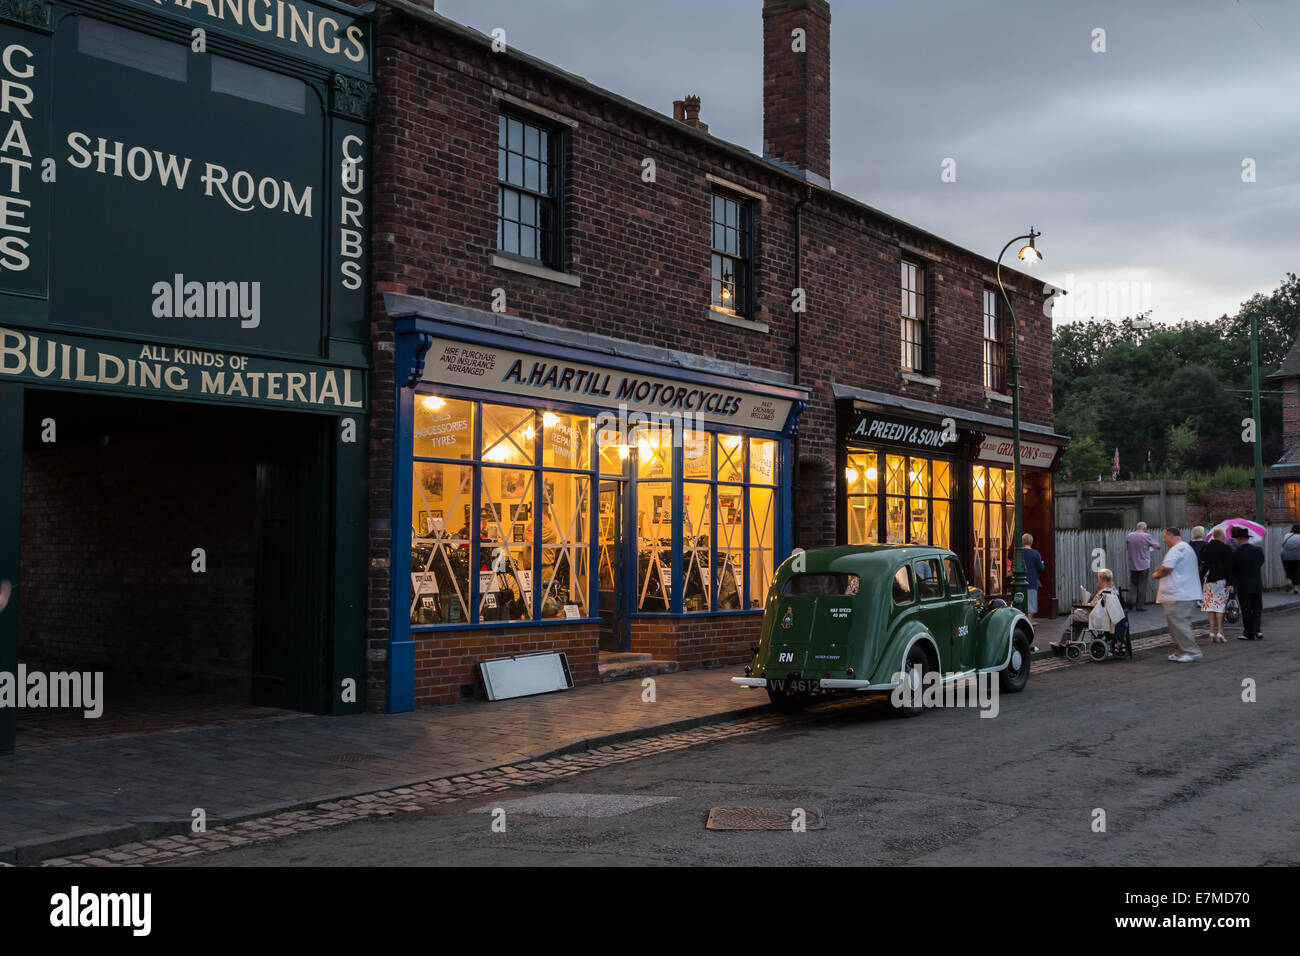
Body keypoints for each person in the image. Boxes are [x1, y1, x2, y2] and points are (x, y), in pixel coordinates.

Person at [1151, 527, 1203, 662]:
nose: (1164, 540)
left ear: (1170, 535)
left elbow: (1167, 568)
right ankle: (1181, 651)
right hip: (1182, 593)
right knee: (1177, 624)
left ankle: (1190, 651)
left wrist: (1156, 574)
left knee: (1179, 624)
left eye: (1164, 537)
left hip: (1178, 593)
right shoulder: (1185, 548)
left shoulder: (1177, 549)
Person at [1052, 568, 1125, 655]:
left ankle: (1064, 642)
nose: (1097, 582)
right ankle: (1071, 640)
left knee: (1072, 617)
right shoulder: (1113, 591)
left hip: (1096, 617)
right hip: (1104, 617)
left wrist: (1086, 604)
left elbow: (1096, 607)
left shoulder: (1103, 593)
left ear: (1102, 580)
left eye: (1098, 580)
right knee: (1078, 618)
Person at [1228, 526, 1265, 641]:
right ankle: (1257, 630)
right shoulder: (1258, 551)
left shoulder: (1236, 553)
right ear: (1248, 538)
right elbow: (1261, 562)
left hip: (1243, 585)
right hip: (1256, 583)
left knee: (1246, 609)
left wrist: (1232, 585)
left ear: (1238, 539)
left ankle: (1248, 632)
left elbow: (1233, 570)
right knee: (1257, 608)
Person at [1200, 527, 1233, 643]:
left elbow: (1202, 563)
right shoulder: (1226, 548)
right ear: (1222, 537)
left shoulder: (1205, 547)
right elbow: (1229, 566)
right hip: (1220, 578)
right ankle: (1220, 631)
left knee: (1210, 605)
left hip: (1208, 578)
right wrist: (1230, 583)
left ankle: (1211, 631)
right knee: (1220, 606)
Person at [1126, 521, 1161, 611]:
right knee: (1142, 585)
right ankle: (1139, 606)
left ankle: (1130, 600)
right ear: (1144, 528)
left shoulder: (1129, 536)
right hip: (1143, 565)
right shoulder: (1146, 536)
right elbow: (1157, 546)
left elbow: (1127, 548)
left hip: (1132, 564)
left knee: (1133, 584)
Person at [1021, 533, 1046, 616]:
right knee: (1031, 604)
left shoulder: (1018, 552)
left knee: (1021, 603)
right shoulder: (1035, 553)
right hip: (1032, 581)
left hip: (1020, 582)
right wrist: (1042, 563)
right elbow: (1041, 568)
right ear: (1031, 542)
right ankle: (1029, 621)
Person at [1281, 524, 1300, 595]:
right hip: (1297, 556)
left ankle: (1289, 582)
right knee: (1296, 571)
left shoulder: (1287, 535)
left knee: (1288, 570)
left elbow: (1282, 544)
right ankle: (1295, 588)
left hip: (1285, 555)